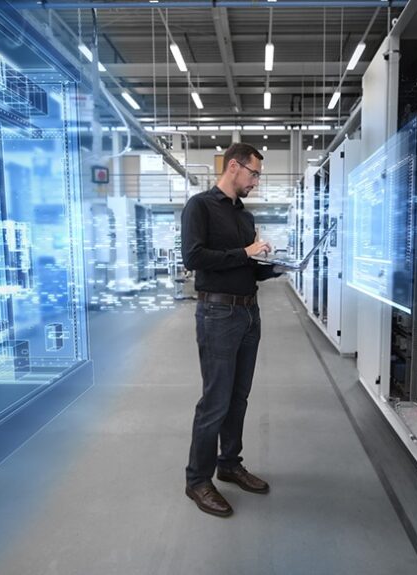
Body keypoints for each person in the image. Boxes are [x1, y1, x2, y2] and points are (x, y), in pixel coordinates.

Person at [181, 143, 283, 517]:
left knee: (239, 398)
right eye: (254, 173)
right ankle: (197, 480)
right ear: (235, 167)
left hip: (248, 314)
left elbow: (247, 267)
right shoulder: (200, 206)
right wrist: (245, 253)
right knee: (216, 401)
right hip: (218, 314)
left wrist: (274, 266)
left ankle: (229, 463)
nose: (256, 181)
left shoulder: (245, 217)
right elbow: (193, 257)